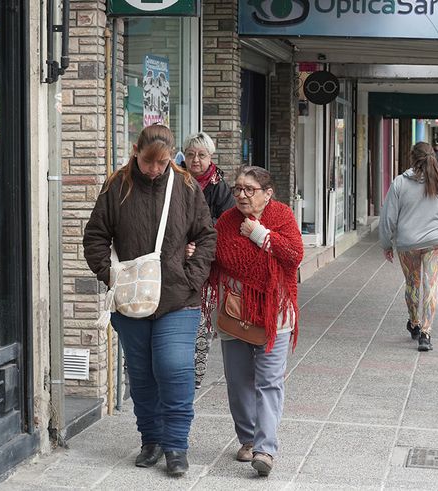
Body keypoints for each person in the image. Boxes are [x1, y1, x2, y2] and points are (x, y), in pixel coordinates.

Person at [83, 124, 216, 477]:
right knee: (141, 375)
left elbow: (206, 236)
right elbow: (95, 235)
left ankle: (176, 446)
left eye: (162, 163)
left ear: (172, 157)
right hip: (131, 300)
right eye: (148, 162)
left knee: (174, 369)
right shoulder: (117, 186)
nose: (155, 170)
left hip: (178, 297)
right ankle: (151, 440)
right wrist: (109, 274)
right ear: (135, 151)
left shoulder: (186, 186)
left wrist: (192, 276)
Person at [206, 166, 303, 477]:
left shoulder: (283, 216)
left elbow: (293, 255)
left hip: (274, 316)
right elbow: (216, 257)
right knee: (238, 383)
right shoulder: (226, 221)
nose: (242, 195)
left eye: (250, 189)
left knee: (269, 383)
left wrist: (259, 234)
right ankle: (248, 439)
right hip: (235, 314)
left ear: (267, 193)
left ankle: (265, 450)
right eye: (238, 189)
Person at [379, 142, 438, 352]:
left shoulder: (400, 182)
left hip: (408, 243)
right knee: (431, 285)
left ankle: (415, 323)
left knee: (412, 284)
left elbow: (388, 217)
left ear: (412, 157)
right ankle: (426, 334)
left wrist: (386, 243)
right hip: (437, 242)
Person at [181, 131, 234, 389]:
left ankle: (195, 376)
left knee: (202, 319)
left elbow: (226, 223)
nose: (195, 160)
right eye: (190, 154)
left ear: (210, 157)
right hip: (176, 259)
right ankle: (177, 370)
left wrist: (198, 237)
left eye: (201, 155)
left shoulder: (219, 187)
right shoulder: (175, 180)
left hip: (205, 263)